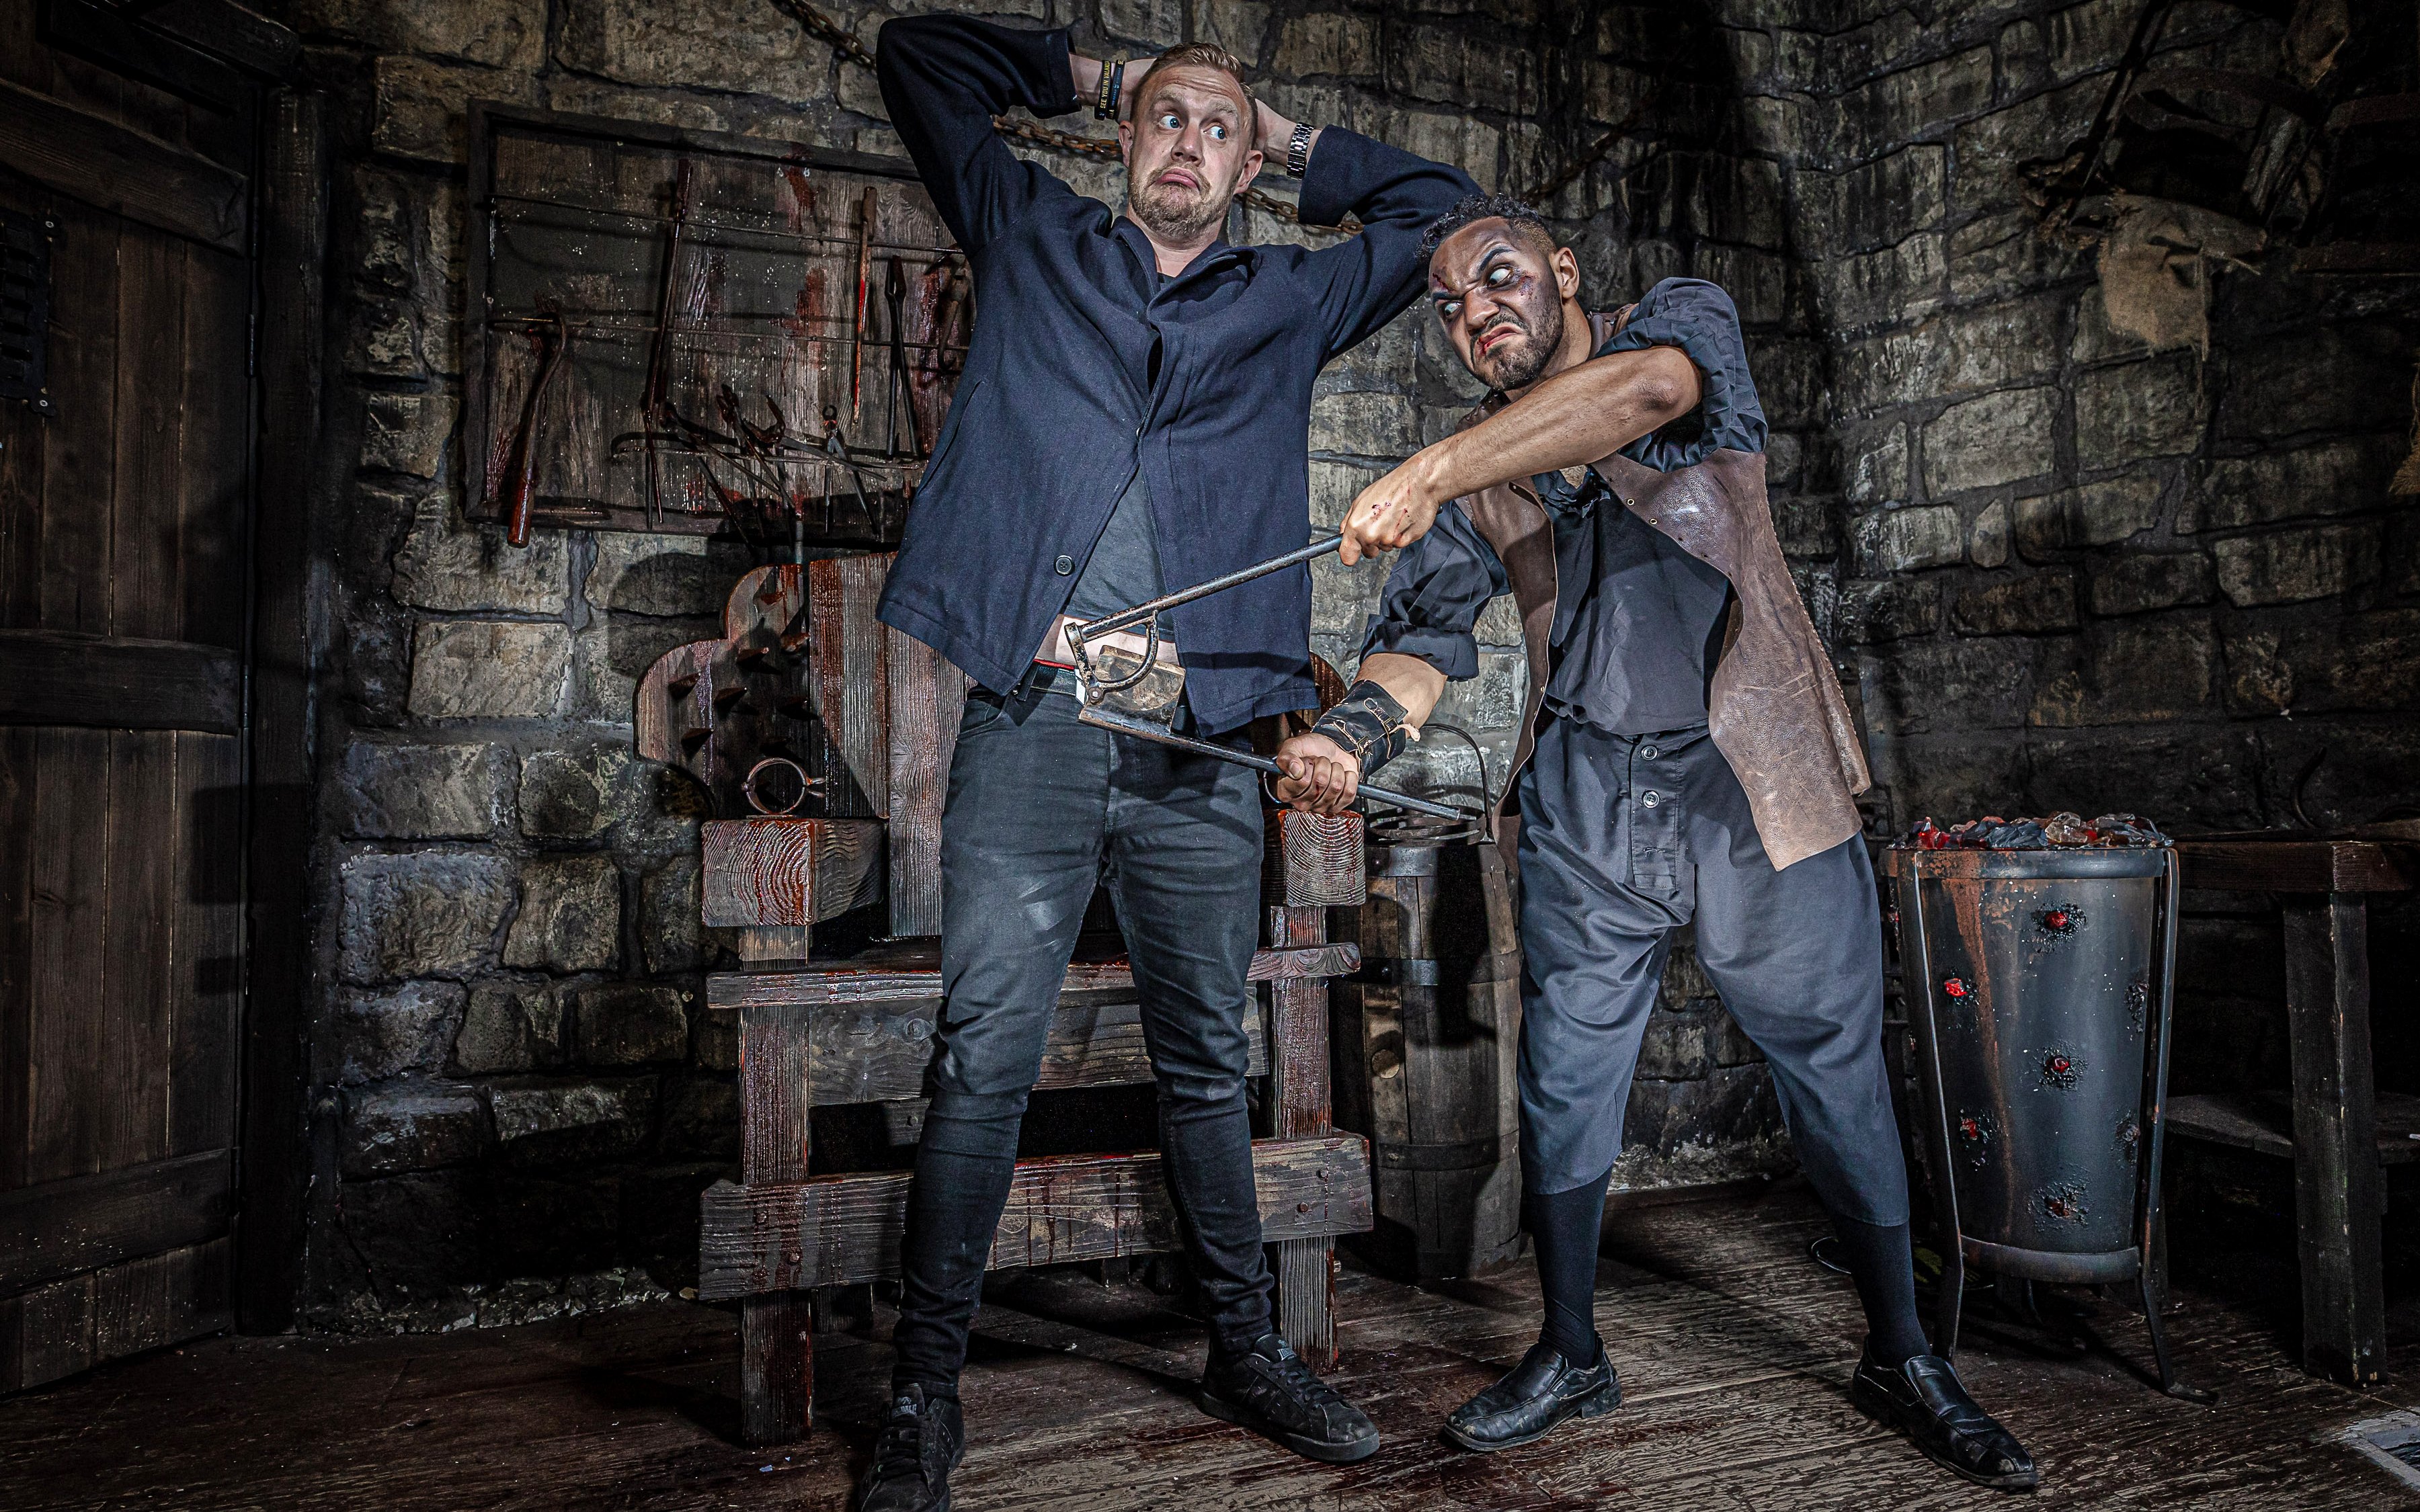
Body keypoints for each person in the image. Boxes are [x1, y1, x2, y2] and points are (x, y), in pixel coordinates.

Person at [1272, 194, 2040, 1494]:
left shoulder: (1679, 324)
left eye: (1499, 277)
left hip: (1750, 773)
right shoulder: (1483, 475)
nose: (1477, 313)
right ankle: (1572, 1349)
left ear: (1565, 271)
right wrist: (1351, 740)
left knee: (1832, 1059)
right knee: (1566, 1076)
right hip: (1582, 794)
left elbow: (1641, 398)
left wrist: (1436, 466)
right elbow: (1420, 651)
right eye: (1453, 306)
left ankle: (1904, 1352)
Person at [860, 17, 1478, 1511]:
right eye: (1165, 120)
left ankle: (1243, 1347)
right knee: (985, 1056)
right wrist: (1103, 67)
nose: (1188, 143)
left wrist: (1296, 142)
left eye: (1217, 127)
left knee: (1209, 1057)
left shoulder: (1291, 295)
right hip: (1038, 721)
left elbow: (1441, 206)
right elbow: (917, 54)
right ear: (1127, 143)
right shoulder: (1031, 232)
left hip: (1207, 740)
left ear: (1246, 160)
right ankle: (922, 1396)